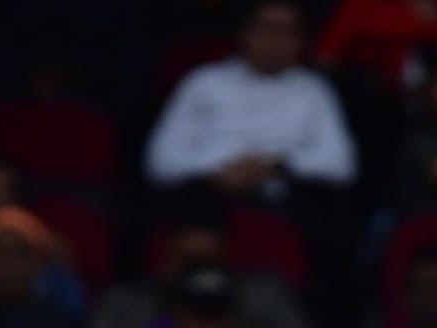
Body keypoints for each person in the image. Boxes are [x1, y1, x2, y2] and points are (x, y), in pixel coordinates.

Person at [144, 0, 359, 198]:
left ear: (302, 39)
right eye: (266, 28)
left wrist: (275, 167)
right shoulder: (204, 82)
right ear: (244, 31)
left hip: (285, 197)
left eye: (288, 31)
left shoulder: (314, 90)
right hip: (208, 192)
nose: (275, 41)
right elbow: (161, 160)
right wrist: (222, 169)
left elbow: (341, 165)